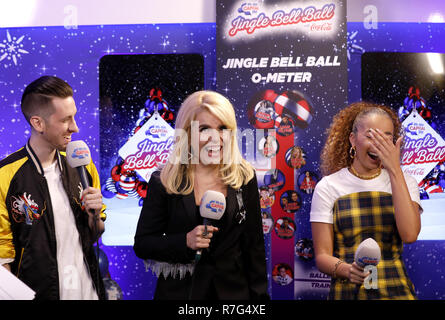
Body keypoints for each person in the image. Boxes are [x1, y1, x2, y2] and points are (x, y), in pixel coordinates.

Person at [133, 90, 269, 300]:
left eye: (223, 128)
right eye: (204, 129)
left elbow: (254, 249)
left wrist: (259, 300)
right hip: (180, 295)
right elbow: (143, 244)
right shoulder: (164, 181)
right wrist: (184, 242)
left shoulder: (244, 177)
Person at [0, 76, 106, 300]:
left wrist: (94, 217)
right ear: (38, 123)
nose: (75, 127)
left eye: (74, 116)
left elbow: (96, 233)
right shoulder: (5, 176)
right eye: (66, 120)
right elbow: (2, 258)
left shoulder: (84, 165)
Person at [310, 101, 422, 300]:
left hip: (396, 291)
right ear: (353, 139)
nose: (379, 144)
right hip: (347, 292)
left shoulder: (407, 183)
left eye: (386, 137)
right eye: (371, 136)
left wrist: (395, 170)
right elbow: (322, 256)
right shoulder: (328, 187)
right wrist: (346, 270)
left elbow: (410, 234)